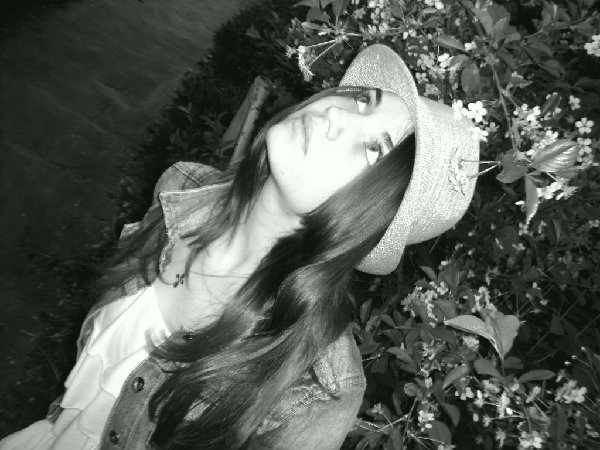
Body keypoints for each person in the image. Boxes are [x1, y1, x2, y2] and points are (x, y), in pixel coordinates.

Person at [0, 44, 479, 450]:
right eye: (361, 100)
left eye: (373, 149)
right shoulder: (180, 189)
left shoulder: (317, 387)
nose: (336, 114)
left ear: (369, 215)